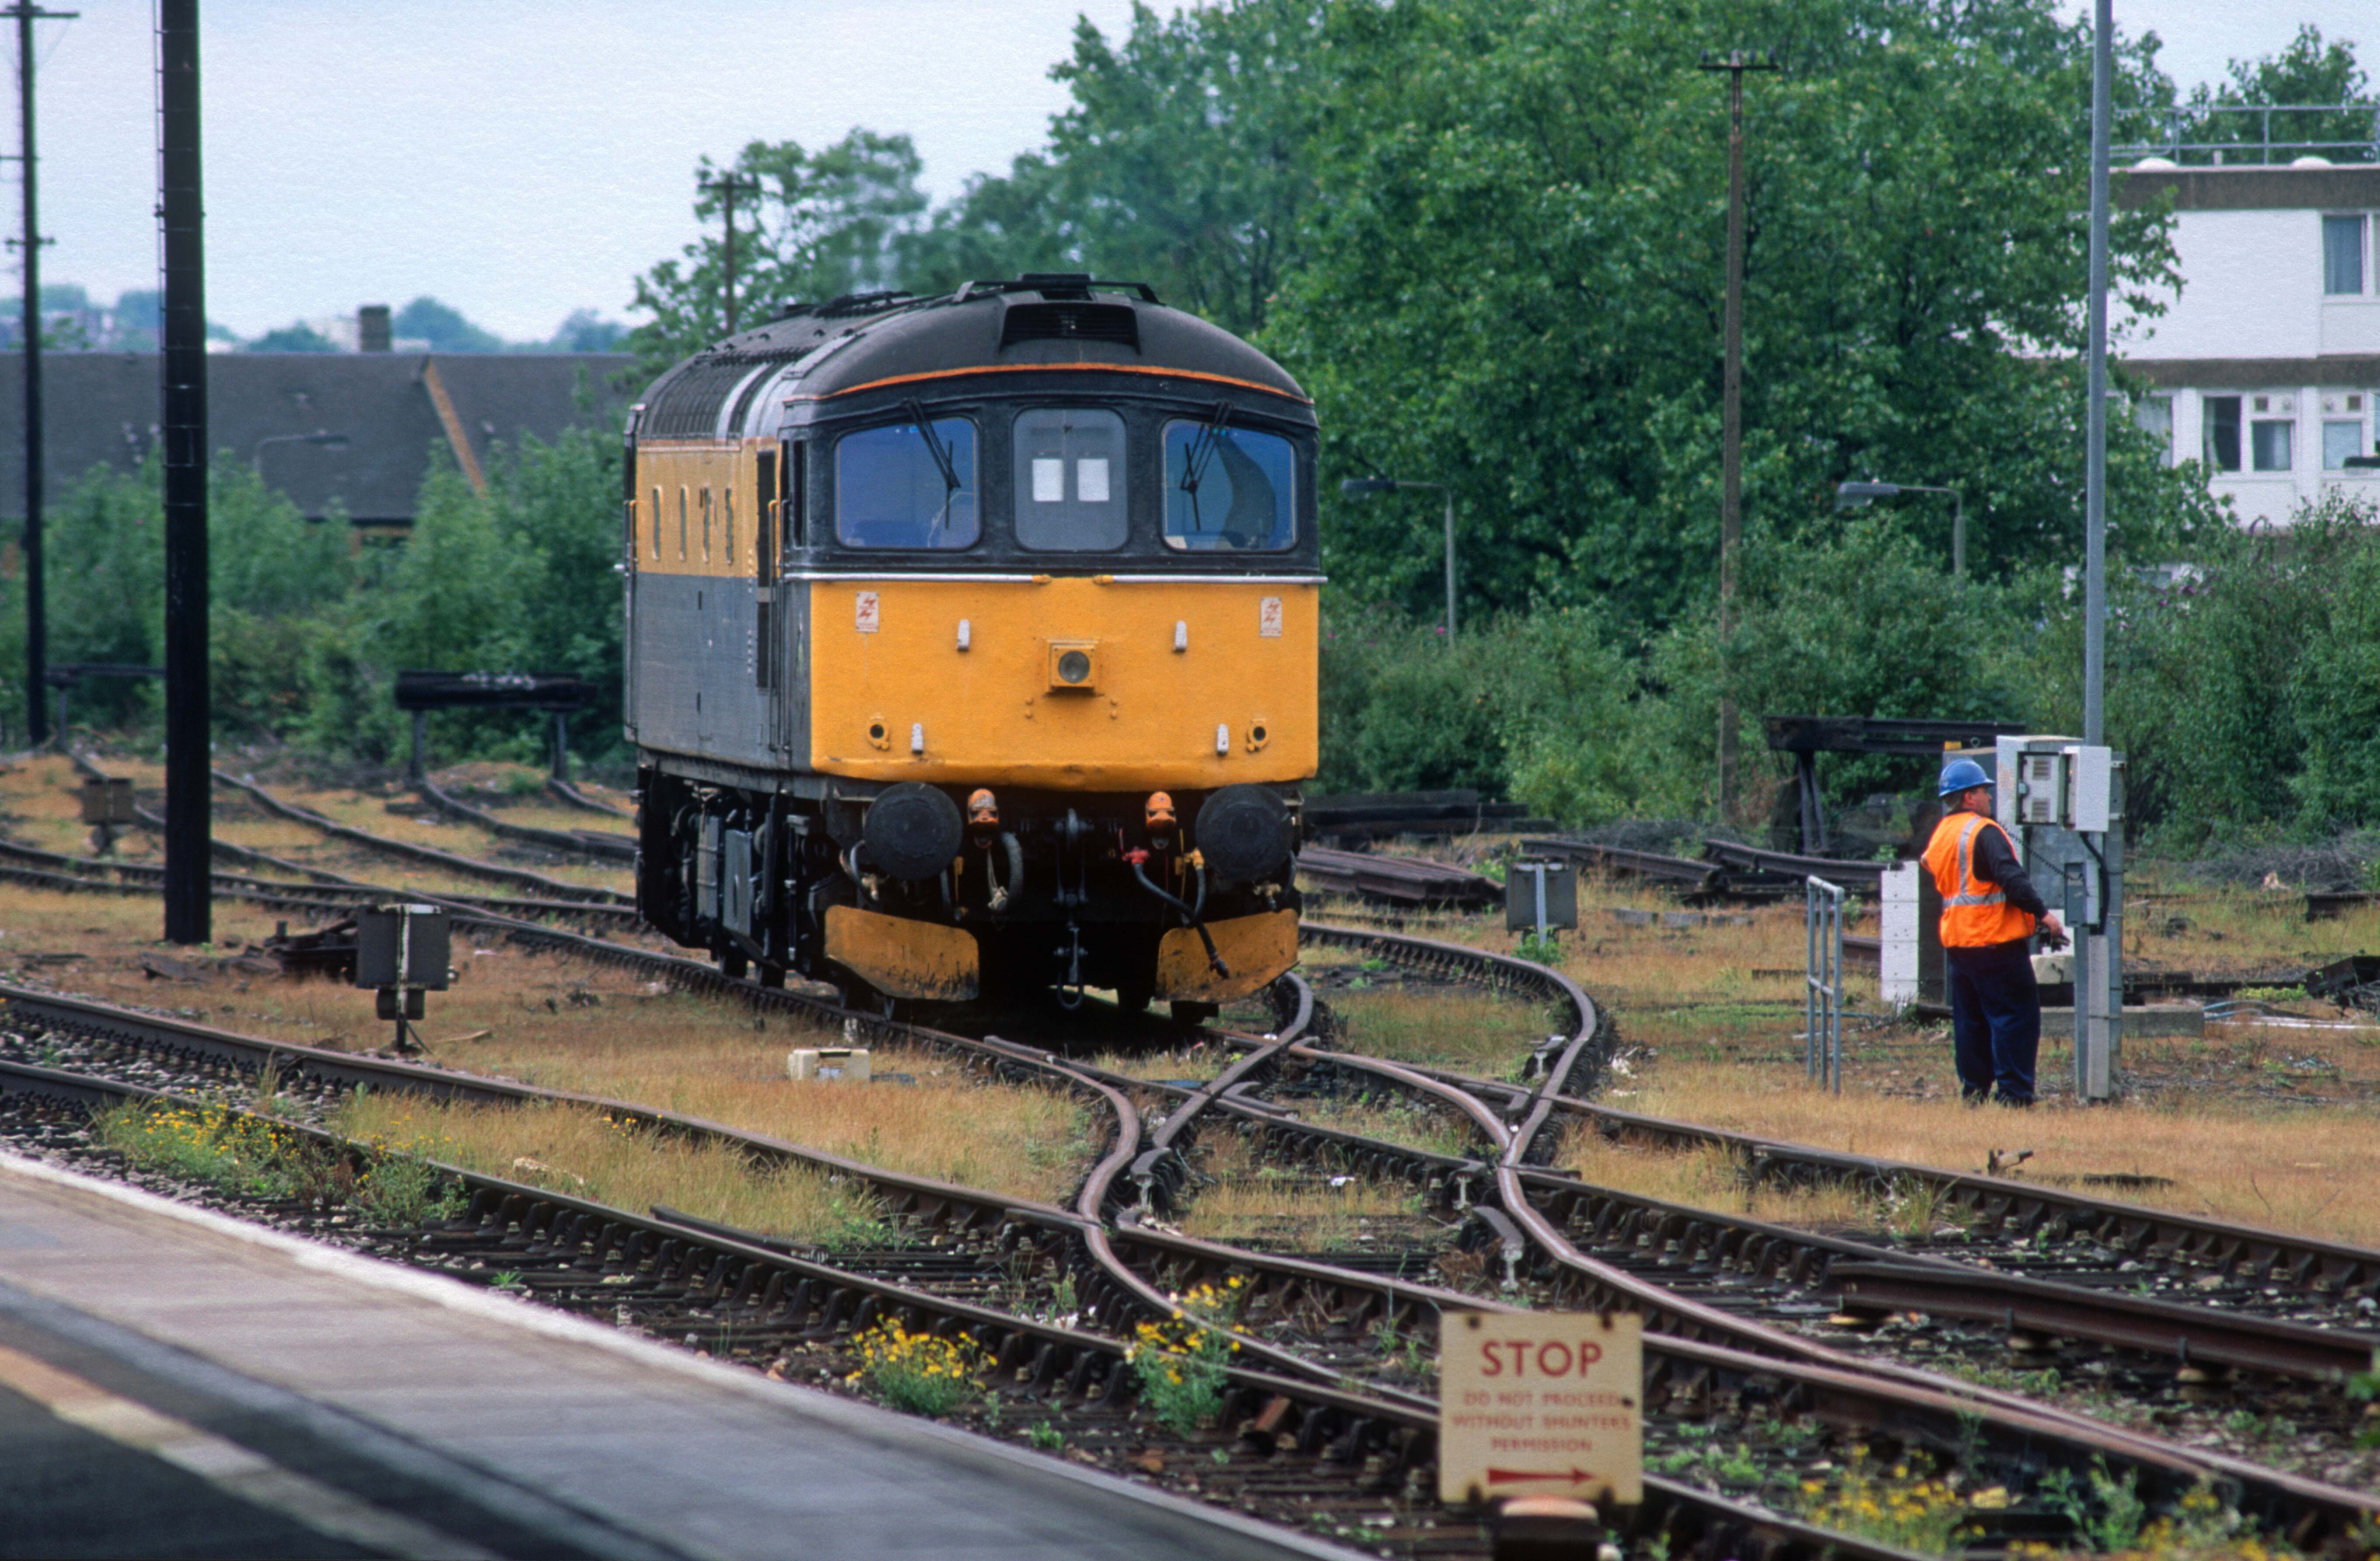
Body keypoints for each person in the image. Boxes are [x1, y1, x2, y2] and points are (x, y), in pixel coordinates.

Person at [1921, 758, 2066, 1106]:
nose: (1989, 797)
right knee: (2014, 1016)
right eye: (1983, 791)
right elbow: (2011, 878)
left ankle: (1974, 1092)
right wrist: (2043, 915)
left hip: (1959, 943)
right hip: (1994, 941)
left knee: (1970, 1021)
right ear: (1968, 797)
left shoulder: (1942, 833)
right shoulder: (1982, 831)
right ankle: (2013, 1096)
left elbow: (1943, 874)